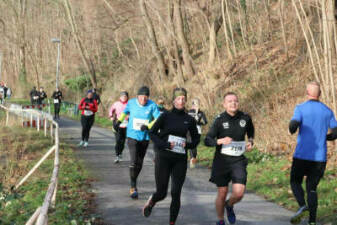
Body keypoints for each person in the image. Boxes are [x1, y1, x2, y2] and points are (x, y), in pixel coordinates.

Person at [142, 88, 200, 225]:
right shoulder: (165, 116)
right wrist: (164, 144)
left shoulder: (189, 120)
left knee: (176, 192)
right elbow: (152, 133)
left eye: (183, 99)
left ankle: (172, 222)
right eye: (178, 98)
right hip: (164, 157)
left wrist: (189, 145)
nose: (181, 101)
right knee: (162, 192)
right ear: (174, 100)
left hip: (180, 159)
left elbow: (197, 138)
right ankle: (152, 201)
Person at [288, 82, 337, 225]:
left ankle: (302, 205)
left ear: (307, 92)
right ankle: (312, 221)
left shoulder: (301, 108)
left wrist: (292, 128)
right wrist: (325, 137)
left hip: (302, 155)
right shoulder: (327, 111)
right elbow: (335, 133)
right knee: (312, 188)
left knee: (295, 181)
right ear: (320, 94)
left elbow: (293, 125)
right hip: (319, 158)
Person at [204, 92, 254, 225]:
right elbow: (207, 140)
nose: (233, 103)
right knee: (222, 192)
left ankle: (229, 205)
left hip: (238, 160)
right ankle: (220, 220)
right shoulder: (219, 119)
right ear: (224, 104)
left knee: (239, 193)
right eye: (230, 101)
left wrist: (250, 141)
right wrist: (220, 141)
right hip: (222, 161)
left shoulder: (245, 118)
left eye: (235, 101)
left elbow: (251, 132)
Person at [114, 86, 160, 199]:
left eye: (146, 97)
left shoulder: (152, 105)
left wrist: (148, 126)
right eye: (141, 97)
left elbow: (159, 118)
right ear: (137, 96)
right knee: (134, 160)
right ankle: (133, 187)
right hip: (132, 135)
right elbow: (125, 112)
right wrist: (118, 121)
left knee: (139, 162)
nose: (144, 99)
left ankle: (133, 181)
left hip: (144, 137)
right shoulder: (131, 103)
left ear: (148, 97)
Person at [109, 91, 129, 163]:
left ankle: (120, 153)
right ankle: (117, 155)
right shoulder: (116, 104)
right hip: (118, 124)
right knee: (118, 141)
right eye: (122, 96)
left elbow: (133, 112)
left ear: (127, 97)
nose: (124, 97)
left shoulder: (129, 104)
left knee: (122, 142)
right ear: (120, 97)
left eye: (125, 96)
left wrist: (129, 116)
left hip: (126, 125)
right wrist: (111, 116)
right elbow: (111, 110)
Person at [188, 98, 207, 168]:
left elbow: (186, 120)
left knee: (190, 144)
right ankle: (193, 158)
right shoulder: (201, 113)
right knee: (194, 145)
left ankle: (192, 158)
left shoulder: (189, 112)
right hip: (197, 130)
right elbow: (205, 122)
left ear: (192, 105)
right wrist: (199, 123)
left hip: (189, 130)